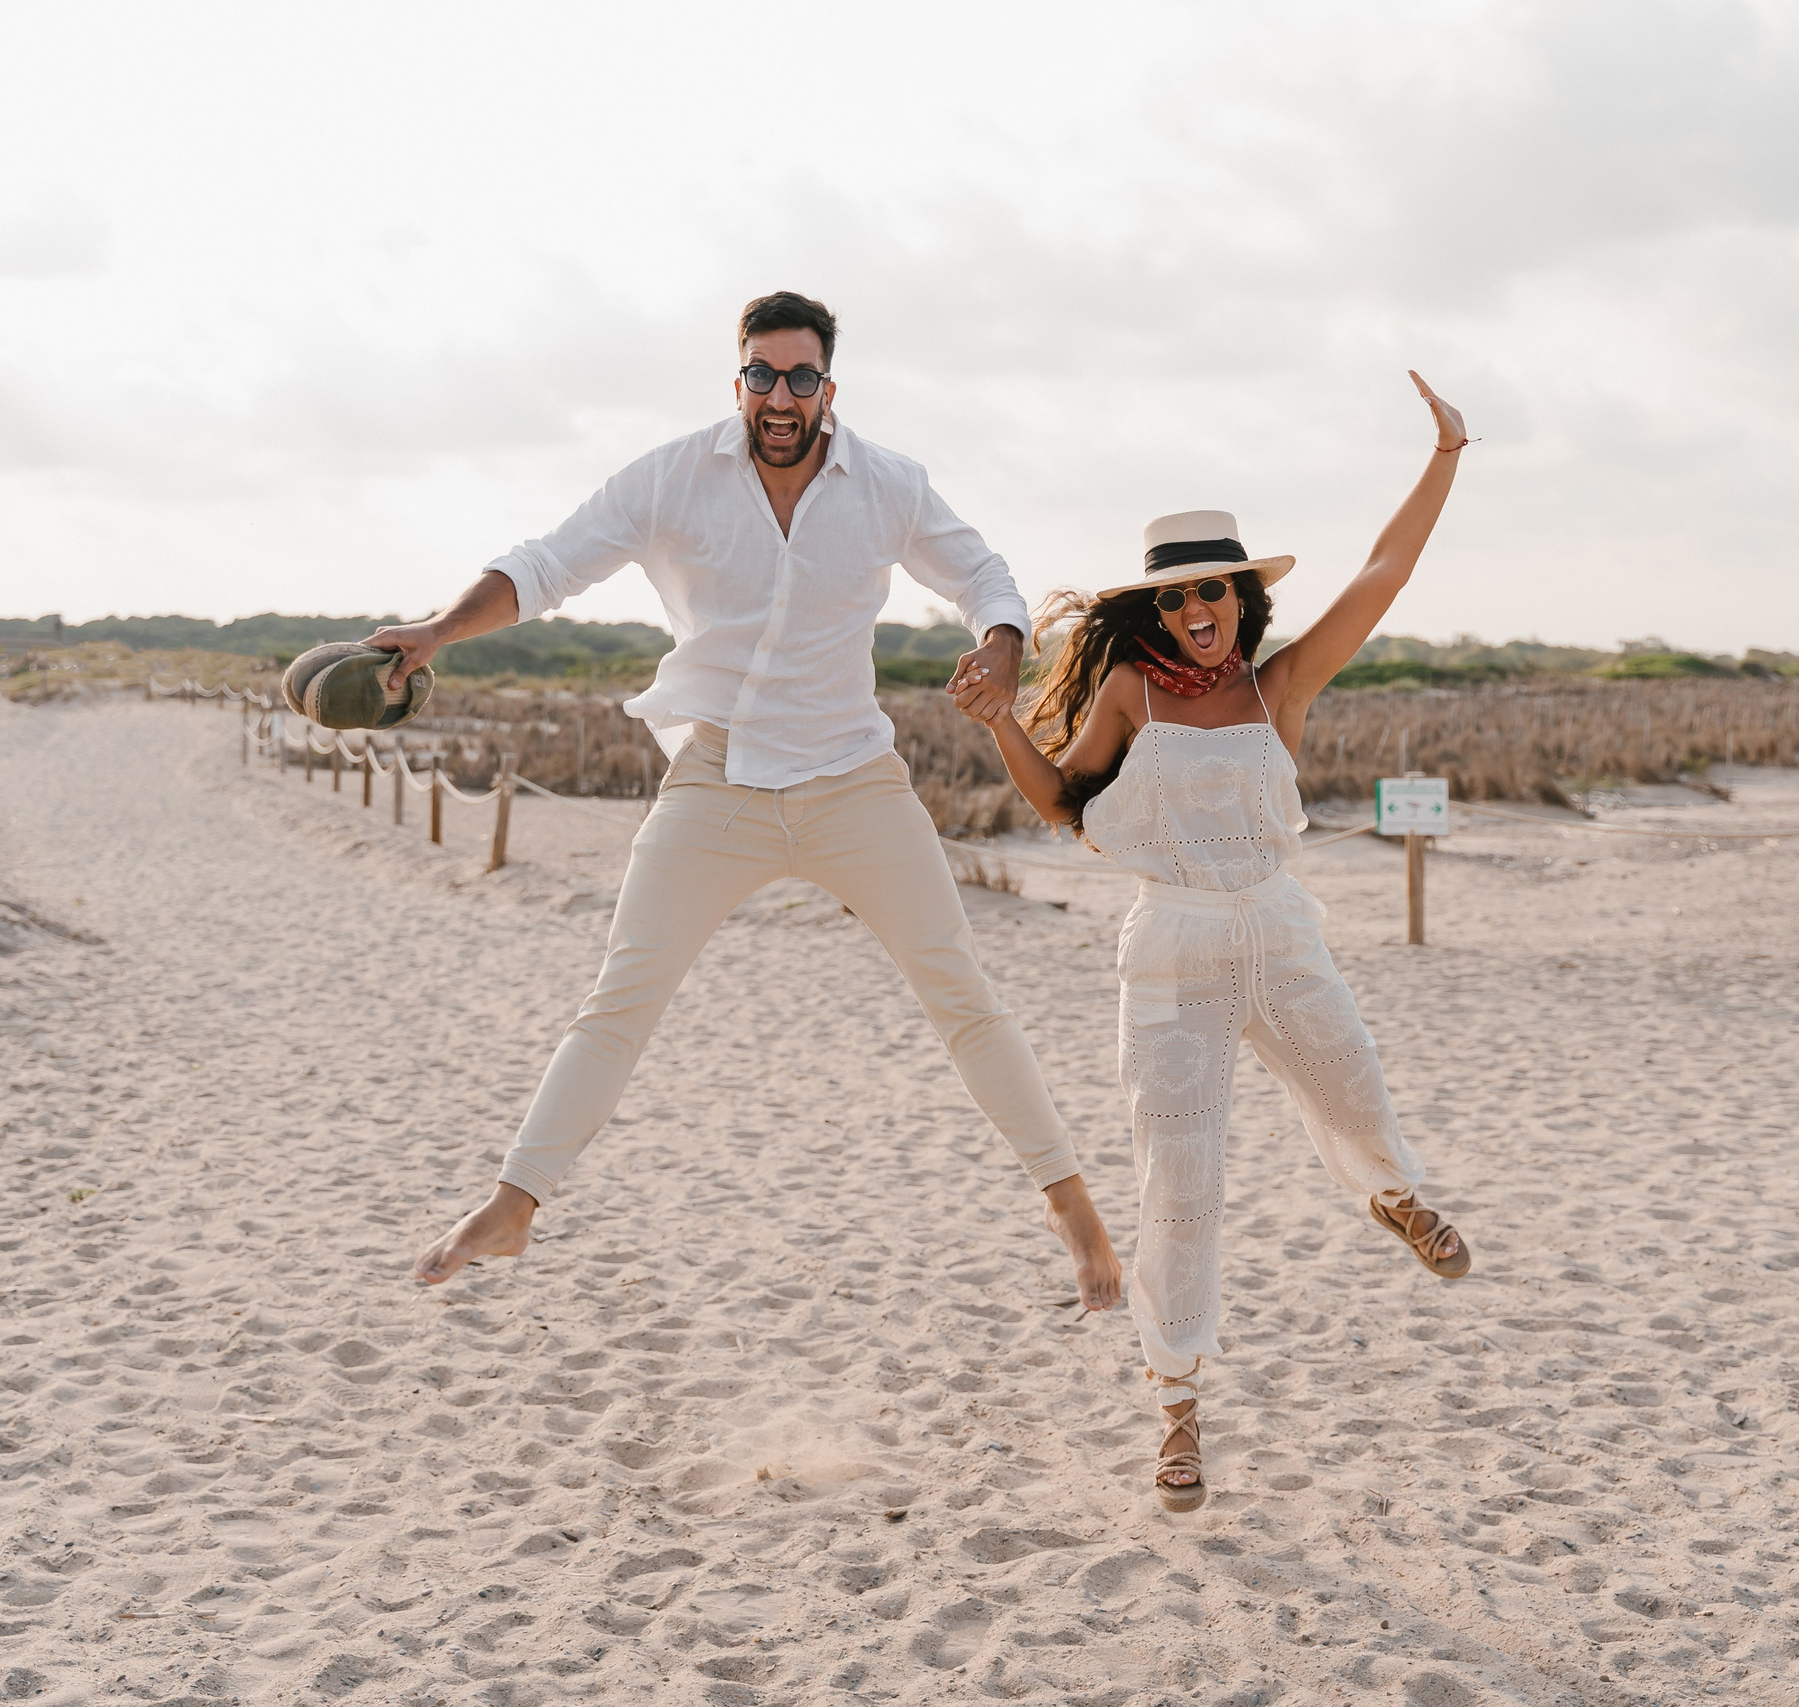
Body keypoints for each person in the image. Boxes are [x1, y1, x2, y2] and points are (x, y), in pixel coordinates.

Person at [375, 291, 1122, 1316]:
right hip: (716, 779)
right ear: (738, 383)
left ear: (827, 389)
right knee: (618, 1000)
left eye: (801, 378)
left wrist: (998, 643)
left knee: (963, 996)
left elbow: (983, 574)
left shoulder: (889, 484)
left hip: (852, 779)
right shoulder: (673, 476)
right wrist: (435, 631)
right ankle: (513, 1204)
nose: (781, 396)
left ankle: (1073, 1212)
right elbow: (545, 566)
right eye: (762, 376)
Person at [958, 371, 1473, 1509]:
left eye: (1217, 594)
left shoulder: (1277, 686)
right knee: (1180, 1187)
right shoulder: (1133, 694)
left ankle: (1388, 1197)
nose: (1200, 612)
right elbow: (1067, 810)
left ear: (1242, 598)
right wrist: (1001, 723)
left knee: (1355, 1091)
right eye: (1179, 599)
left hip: (1279, 932)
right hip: (1175, 955)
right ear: (1154, 611)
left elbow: (1380, 579)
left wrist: (1443, 458)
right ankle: (1177, 1408)